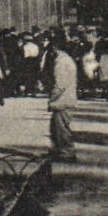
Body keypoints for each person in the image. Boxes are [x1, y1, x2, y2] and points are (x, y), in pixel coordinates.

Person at [47, 34, 79, 162]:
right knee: (55, 127)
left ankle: (67, 153)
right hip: (67, 99)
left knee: (62, 129)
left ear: (55, 48)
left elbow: (60, 85)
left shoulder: (61, 62)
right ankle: (58, 150)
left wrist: (51, 98)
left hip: (63, 100)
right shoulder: (68, 60)